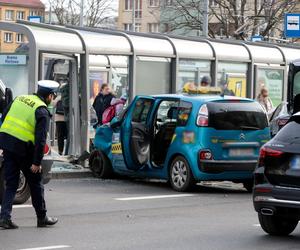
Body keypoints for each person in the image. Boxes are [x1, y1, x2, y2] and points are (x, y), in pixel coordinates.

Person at [0, 80, 59, 229]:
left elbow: (4, 117)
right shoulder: (42, 110)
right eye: (53, 96)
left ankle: (4, 218)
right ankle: (42, 218)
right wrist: (37, 163)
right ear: (49, 96)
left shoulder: (19, 99)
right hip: (24, 151)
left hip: (8, 146)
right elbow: (40, 140)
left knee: (11, 183)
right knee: (36, 183)